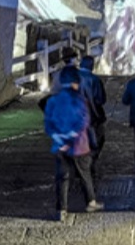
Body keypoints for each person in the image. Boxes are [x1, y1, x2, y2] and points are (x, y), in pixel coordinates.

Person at [44, 67, 103, 221]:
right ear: (75, 83)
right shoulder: (79, 100)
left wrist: (59, 139)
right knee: (85, 174)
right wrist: (69, 138)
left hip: (59, 146)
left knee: (62, 178)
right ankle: (91, 202)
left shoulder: (52, 101)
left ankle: (61, 210)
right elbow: (83, 122)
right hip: (79, 145)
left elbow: (48, 125)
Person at [78, 55, 108, 177]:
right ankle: (90, 164)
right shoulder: (94, 80)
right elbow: (101, 99)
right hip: (91, 116)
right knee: (97, 141)